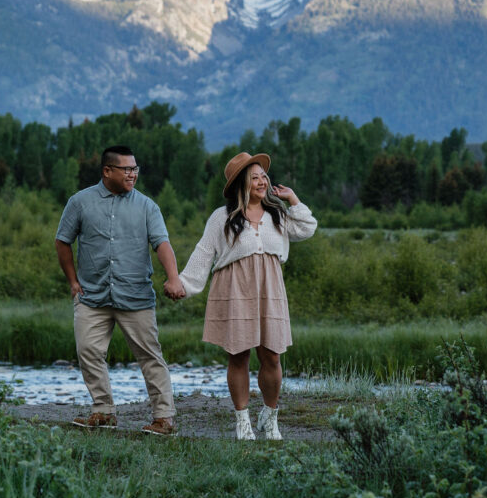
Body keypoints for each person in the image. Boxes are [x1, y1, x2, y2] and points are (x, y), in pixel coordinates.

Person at [167, 152, 317, 441]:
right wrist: (182, 283)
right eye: (255, 177)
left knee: (272, 356)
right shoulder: (222, 218)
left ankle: (270, 418)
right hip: (233, 289)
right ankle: (242, 422)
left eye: (264, 176)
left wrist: (293, 199)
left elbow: (307, 228)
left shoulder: (277, 215)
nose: (262, 181)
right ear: (241, 184)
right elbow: (203, 253)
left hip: (270, 290)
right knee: (238, 355)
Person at [55, 145, 183, 436]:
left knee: (150, 356)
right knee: (88, 350)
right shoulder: (80, 202)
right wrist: (73, 283)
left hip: (135, 296)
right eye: (126, 169)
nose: (132, 174)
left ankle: (164, 418)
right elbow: (62, 241)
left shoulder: (147, 206)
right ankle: (103, 411)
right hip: (91, 296)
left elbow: (162, 244)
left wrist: (173, 277)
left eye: (135, 168)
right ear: (107, 171)